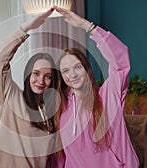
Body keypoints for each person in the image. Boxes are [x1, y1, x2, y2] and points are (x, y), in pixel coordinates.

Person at [53, 6, 139, 167]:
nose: (72, 74)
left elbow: (120, 64)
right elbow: (61, 155)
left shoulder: (107, 95)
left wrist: (88, 27)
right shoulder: (61, 106)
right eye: (66, 70)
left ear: (87, 69)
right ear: (61, 76)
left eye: (77, 67)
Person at [0, 8, 60, 167]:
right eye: (36, 73)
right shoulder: (12, 97)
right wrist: (25, 28)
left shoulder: (52, 111)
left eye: (48, 76)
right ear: (28, 75)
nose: (41, 81)